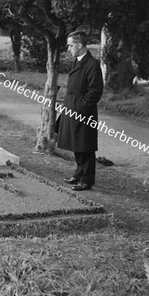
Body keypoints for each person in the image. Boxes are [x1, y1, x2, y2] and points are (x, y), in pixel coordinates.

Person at [56, 31, 103, 191]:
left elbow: (95, 91)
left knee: (85, 146)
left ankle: (86, 180)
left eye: (70, 45)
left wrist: (81, 108)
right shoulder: (77, 61)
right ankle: (78, 173)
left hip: (83, 111)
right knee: (76, 144)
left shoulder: (92, 64)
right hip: (71, 107)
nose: (68, 48)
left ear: (80, 45)